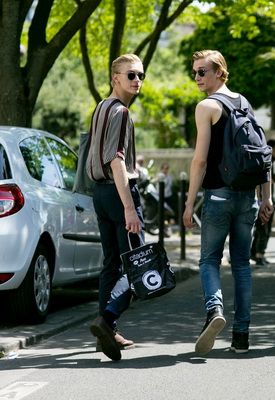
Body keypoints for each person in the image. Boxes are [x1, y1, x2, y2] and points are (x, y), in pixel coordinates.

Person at [182, 50, 273, 356]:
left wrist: (189, 201)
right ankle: (241, 337)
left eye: (202, 72)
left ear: (220, 72)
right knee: (241, 266)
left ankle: (214, 309)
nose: (197, 78)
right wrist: (266, 197)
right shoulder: (243, 102)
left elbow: (200, 160)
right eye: (194, 72)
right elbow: (261, 154)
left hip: (218, 196)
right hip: (247, 199)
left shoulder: (206, 107)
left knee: (208, 260)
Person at [86, 54, 145, 361]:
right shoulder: (120, 111)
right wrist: (130, 208)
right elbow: (116, 160)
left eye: (140, 76)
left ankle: (106, 333)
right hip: (120, 192)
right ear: (115, 78)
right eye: (131, 75)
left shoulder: (101, 108)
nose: (137, 80)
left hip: (100, 193)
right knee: (139, 265)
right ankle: (106, 321)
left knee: (112, 263)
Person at [251, 139, 275, 266]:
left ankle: (254, 253)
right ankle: (259, 254)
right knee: (264, 229)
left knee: (262, 229)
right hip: (264, 201)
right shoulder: (265, 162)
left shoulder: (269, 162)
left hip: (264, 200)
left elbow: (273, 179)